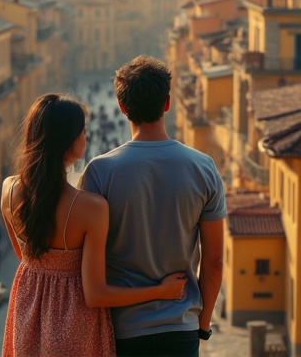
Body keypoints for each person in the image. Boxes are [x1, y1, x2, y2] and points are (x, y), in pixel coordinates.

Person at [0, 93, 187, 357]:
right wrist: (160, 290)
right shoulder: (90, 208)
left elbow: (25, 256)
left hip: (28, 319)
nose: (86, 137)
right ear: (68, 140)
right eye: (83, 131)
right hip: (73, 325)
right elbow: (96, 294)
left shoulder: (8, 190)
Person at [79, 56, 226, 357]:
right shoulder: (204, 168)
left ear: (122, 107)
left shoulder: (99, 172)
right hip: (180, 328)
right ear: (168, 103)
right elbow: (214, 261)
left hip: (122, 331)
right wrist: (203, 324)